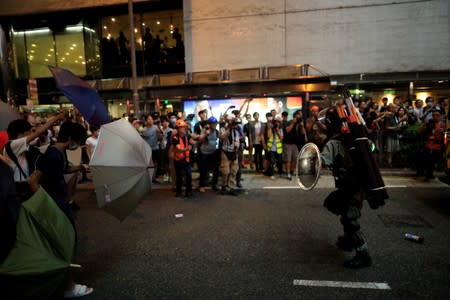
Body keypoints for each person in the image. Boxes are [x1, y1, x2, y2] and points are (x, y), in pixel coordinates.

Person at [35, 121, 93, 298]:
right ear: (69, 139)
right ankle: (68, 287)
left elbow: (64, 168)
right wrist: (48, 204)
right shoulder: (52, 155)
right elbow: (35, 180)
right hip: (55, 204)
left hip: (59, 202)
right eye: (75, 141)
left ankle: (63, 283)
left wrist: (81, 167)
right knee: (66, 242)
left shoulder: (57, 152)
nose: (75, 146)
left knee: (65, 241)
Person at [320, 107, 372, 268]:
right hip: (360, 183)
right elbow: (371, 148)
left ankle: (363, 254)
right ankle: (348, 241)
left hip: (352, 185)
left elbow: (323, 162)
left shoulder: (333, 143)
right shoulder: (358, 138)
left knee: (350, 218)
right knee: (344, 213)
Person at [416, 110, 445, 180]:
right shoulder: (429, 123)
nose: (435, 117)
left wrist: (443, 132)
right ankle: (426, 173)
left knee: (432, 158)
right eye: (433, 115)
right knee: (423, 157)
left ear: (440, 116)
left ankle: (429, 174)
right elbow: (420, 132)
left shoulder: (443, 124)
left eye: (437, 115)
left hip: (438, 146)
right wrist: (425, 125)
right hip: (428, 145)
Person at [171, 119, 194, 197]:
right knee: (179, 177)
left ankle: (189, 191)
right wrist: (188, 148)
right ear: (177, 128)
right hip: (178, 160)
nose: (183, 129)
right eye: (181, 127)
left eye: (184, 127)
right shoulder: (175, 138)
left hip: (186, 159)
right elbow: (179, 149)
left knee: (189, 175)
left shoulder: (187, 136)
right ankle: (179, 191)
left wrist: (199, 140)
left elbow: (193, 141)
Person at [219, 116, 241, 196]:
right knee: (225, 171)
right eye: (234, 123)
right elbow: (222, 137)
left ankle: (231, 187)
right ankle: (224, 186)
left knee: (234, 171)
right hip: (225, 152)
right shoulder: (223, 129)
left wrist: (237, 145)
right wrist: (229, 129)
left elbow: (238, 140)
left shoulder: (237, 131)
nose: (235, 125)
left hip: (234, 152)